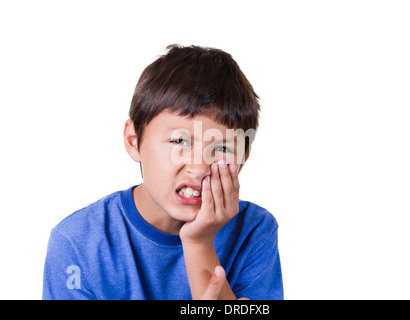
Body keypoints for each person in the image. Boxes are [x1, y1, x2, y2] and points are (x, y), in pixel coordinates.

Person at [43, 45, 283, 300]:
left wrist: (199, 243)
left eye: (222, 148)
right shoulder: (77, 242)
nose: (199, 167)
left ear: (243, 159)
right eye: (179, 141)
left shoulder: (254, 230)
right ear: (134, 140)